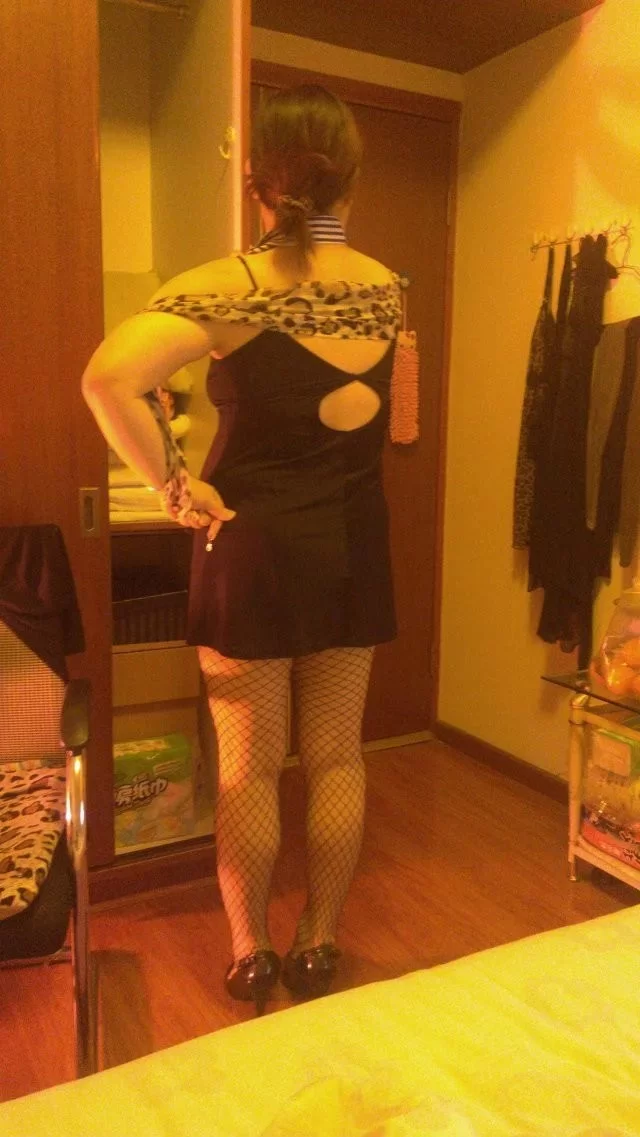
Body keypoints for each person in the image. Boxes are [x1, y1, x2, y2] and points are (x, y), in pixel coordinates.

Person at [82, 84, 402, 1014]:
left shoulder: (234, 286)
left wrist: (175, 487)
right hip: (353, 546)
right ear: (351, 181)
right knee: (337, 757)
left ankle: (250, 950)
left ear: (257, 182)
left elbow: (109, 379)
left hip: (253, 550)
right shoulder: (386, 287)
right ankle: (320, 941)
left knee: (249, 768)